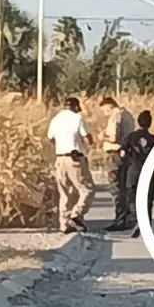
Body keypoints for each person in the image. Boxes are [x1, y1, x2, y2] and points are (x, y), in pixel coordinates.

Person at [47, 97, 96, 233]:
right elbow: (88, 137)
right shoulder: (77, 119)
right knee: (87, 189)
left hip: (60, 158)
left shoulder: (55, 119)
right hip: (75, 158)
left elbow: (51, 138)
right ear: (75, 107)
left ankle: (64, 223)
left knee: (65, 192)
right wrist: (87, 143)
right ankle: (76, 213)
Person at [99, 96, 136, 231]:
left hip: (115, 154)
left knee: (116, 188)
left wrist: (103, 137)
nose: (104, 114)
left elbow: (114, 138)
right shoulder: (128, 116)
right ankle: (128, 218)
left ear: (109, 106)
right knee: (125, 186)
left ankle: (120, 219)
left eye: (104, 110)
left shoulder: (115, 117)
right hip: (126, 154)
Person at [122, 110, 154, 239]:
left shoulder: (131, 137)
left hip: (134, 171)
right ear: (150, 123)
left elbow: (123, 153)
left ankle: (136, 218)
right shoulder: (153, 139)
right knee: (148, 199)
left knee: (132, 196)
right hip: (148, 172)